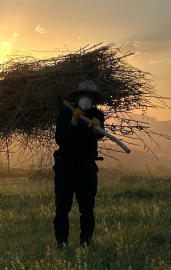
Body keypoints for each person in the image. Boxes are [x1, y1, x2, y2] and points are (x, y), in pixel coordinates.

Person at [53, 80, 106, 249]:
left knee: (87, 209)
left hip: (86, 167)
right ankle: (61, 243)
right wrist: (73, 123)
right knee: (62, 208)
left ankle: (86, 243)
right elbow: (60, 139)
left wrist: (96, 128)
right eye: (84, 94)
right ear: (77, 96)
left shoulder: (97, 115)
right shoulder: (65, 113)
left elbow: (99, 137)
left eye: (91, 95)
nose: (87, 97)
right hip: (65, 166)